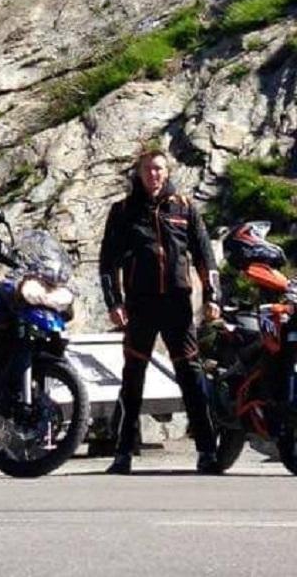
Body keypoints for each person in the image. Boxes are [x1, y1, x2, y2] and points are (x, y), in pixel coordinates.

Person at [99, 148, 221, 475]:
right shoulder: (123, 211)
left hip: (177, 305)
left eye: (159, 169)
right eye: (148, 169)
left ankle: (208, 451)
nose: (153, 175)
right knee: (132, 378)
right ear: (138, 173)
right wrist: (114, 303)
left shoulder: (184, 207)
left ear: (167, 173)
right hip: (140, 305)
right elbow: (108, 263)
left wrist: (213, 297)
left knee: (191, 376)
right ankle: (123, 453)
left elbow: (205, 258)